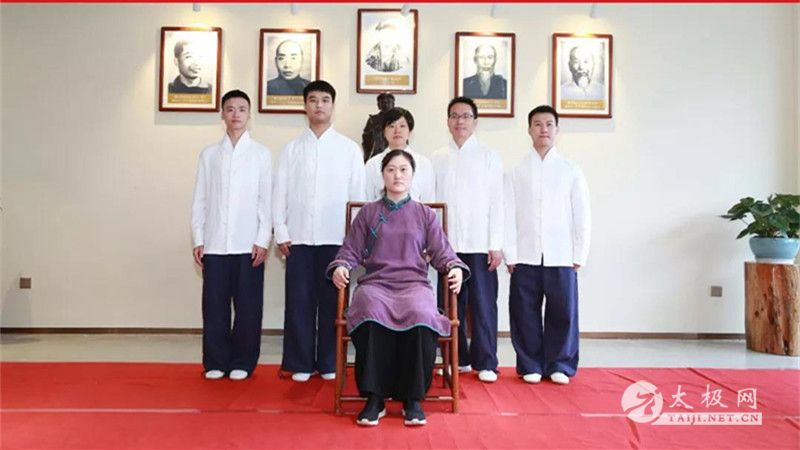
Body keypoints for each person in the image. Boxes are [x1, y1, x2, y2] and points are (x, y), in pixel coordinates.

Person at [327, 149, 469, 427]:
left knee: (421, 313)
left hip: (414, 284)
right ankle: (375, 398)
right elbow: (350, 250)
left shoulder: (425, 214)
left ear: (412, 175)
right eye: (391, 170)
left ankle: (412, 398)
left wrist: (454, 267)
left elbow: (442, 251)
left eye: (404, 169)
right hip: (376, 283)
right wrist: (341, 266)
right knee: (368, 308)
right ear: (383, 175)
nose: (397, 175)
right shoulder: (368, 213)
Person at [273, 80, 365, 383]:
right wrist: (281, 230)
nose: (319, 105)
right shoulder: (291, 149)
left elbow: (358, 199)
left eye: (325, 100)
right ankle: (299, 362)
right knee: (298, 302)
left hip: (336, 240)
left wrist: (353, 241)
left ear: (333, 105)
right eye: (313, 100)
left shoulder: (349, 149)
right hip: (298, 237)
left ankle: (329, 361)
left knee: (333, 304)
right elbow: (279, 193)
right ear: (305, 106)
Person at [504, 105, 591, 385]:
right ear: (529, 129)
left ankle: (560, 364)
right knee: (524, 311)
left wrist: (580, 253)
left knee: (562, 311)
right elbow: (508, 215)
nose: (543, 129)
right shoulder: (516, 171)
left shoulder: (571, 170)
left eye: (549, 124)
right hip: (525, 254)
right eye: (538, 124)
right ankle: (530, 363)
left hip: (561, 254)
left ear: (557, 130)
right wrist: (510, 253)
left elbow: (582, 214)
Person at [191, 89, 271, 381]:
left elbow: (266, 201)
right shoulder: (209, 155)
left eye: (242, 109)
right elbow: (200, 199)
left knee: (248, 307)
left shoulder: (261, 154)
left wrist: (263, 239)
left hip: (248, 244)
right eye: (230, 109)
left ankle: (243, 361)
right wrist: (199, 238)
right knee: (214, 306)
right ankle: (216, 360)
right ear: (222, 114)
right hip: (214, 243)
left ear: (249, 115)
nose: (236, 114)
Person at [431, 97, 503, 384]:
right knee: (450, 305)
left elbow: (497, 202)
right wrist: (432, 243)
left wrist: (495, 243)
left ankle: (486, 362)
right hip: (447, 247)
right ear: (447, 121)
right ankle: (456, 360)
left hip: (480, 243)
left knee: (483, 305)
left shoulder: (489, 156)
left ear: (475, 121)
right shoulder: (436, 158)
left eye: (466, 116)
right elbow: (431, 207)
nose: (460, 121)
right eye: (454, 116)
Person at [364, 107, 434, 202]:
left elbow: (429, 203)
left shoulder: (424, 163)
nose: (397, 131)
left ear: (410, 132)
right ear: (383, 132)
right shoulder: (372, 164)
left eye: (402, 126)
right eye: (391, 126)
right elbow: (367, 202)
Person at [361, 93, 395, 162]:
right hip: (376, 155)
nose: (386, 105)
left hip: (394, 154)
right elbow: (366, 140)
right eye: (383, 102)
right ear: (378, 105)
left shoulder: (399, 120)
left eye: (388, 102)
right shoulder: (372, 120)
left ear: (393, 104)